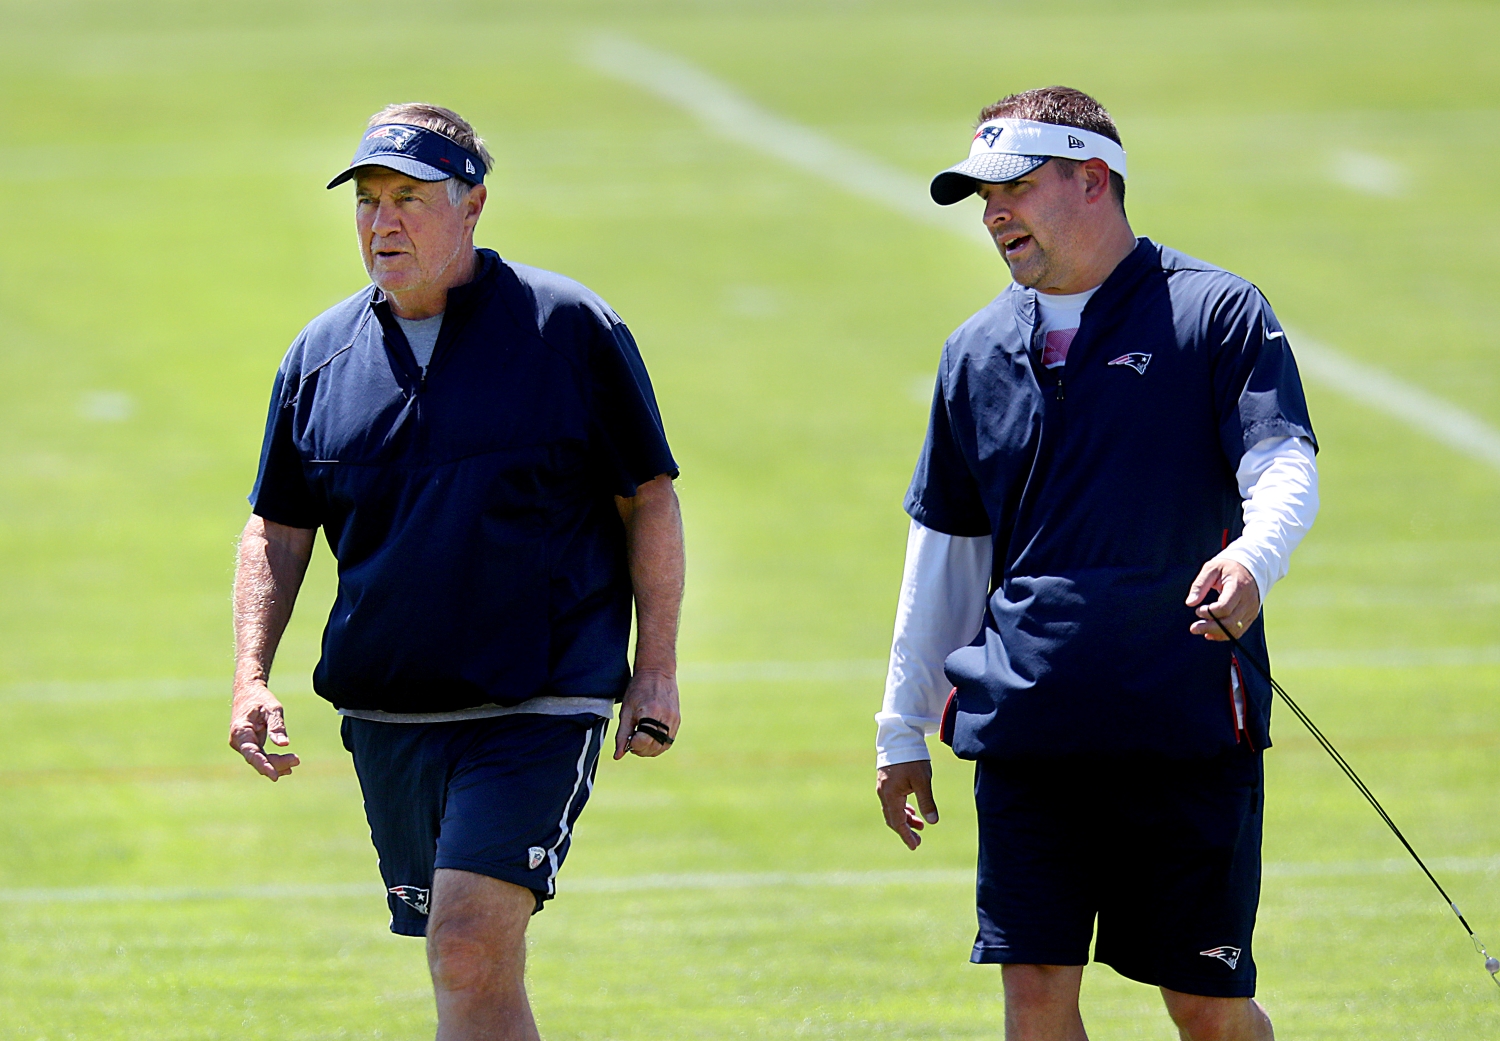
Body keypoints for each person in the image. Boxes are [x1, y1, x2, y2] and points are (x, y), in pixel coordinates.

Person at [228, 102, 683, 1041]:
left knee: (468, 940)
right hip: (390, 713)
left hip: (539, 699)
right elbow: (277, 528)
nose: (382, 222)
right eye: (367, 201)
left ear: (472, 205)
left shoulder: (570, 331)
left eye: (408, 199)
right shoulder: (319, 358)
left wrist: (656, 665)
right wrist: (251, 673)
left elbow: (649, 499)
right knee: (466, 971)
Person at [874, 87, 1319, 1041]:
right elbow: (945, 553)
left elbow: (1283, 461)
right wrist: (902, 726)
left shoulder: (1217, 311)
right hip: (1032, 723)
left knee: (1205, 1004)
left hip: (1186, 718)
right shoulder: (975, 350)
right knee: (1035, 998)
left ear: (1093, 180)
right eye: (983, 197)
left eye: (1016, 187)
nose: (994, 214)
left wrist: (1253, 558)